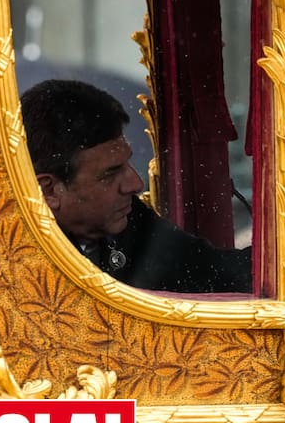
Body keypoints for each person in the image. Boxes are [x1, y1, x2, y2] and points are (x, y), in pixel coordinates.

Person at [20, 78, 252, 294]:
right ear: (49, 190)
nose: (135, 184)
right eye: (110, 174)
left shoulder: (130, 222)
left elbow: (218, 272)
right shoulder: (12, 264)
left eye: (126, 163)